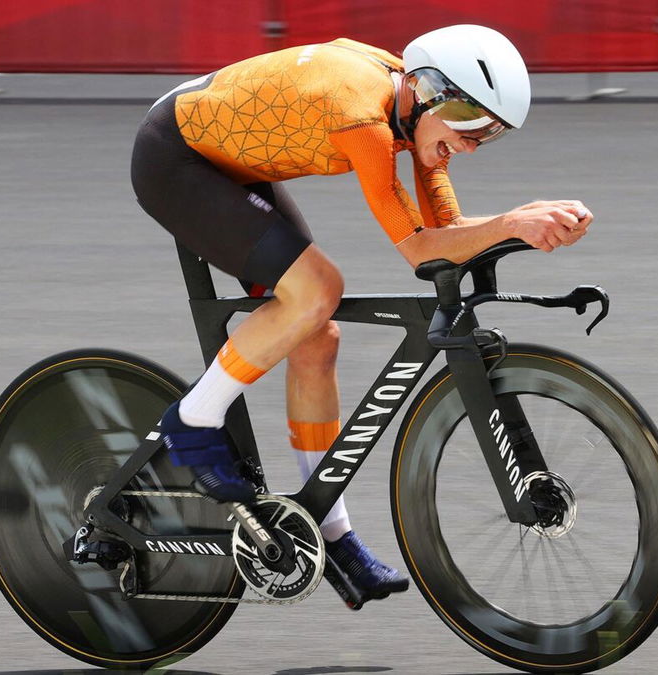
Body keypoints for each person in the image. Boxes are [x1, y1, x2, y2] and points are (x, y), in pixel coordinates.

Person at [130, 24, 593, 601]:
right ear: (430, 93)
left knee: (316, 336)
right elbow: (420, 251)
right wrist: (512, 223)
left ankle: (328, 532)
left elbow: (444, 232)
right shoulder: (366, 121)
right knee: (319, 287)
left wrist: (527, 217)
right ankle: (194, 419)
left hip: (225, 163)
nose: (474, 144)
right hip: (175, 161)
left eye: (492, 133)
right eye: (473, 123)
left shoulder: (412, 114)